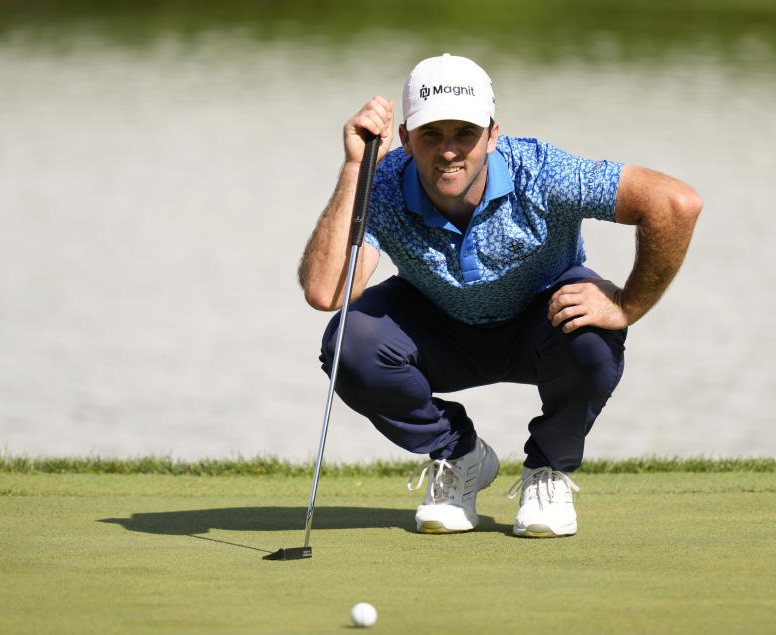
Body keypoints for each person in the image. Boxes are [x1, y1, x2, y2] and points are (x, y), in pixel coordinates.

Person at [298, 53, 701, 538]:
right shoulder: (381, 184)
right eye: (431, 135)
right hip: (437, 325)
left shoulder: (542, 172)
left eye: (464, 134)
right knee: (349, 342)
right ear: (404, 139)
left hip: (542, 322)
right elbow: (327, 291)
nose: (449, 151)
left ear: (492, 135)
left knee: (593, 336)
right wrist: (355, 169)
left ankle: (548, 470)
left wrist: (626, 304)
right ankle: (458, 456)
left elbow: (675, 203)